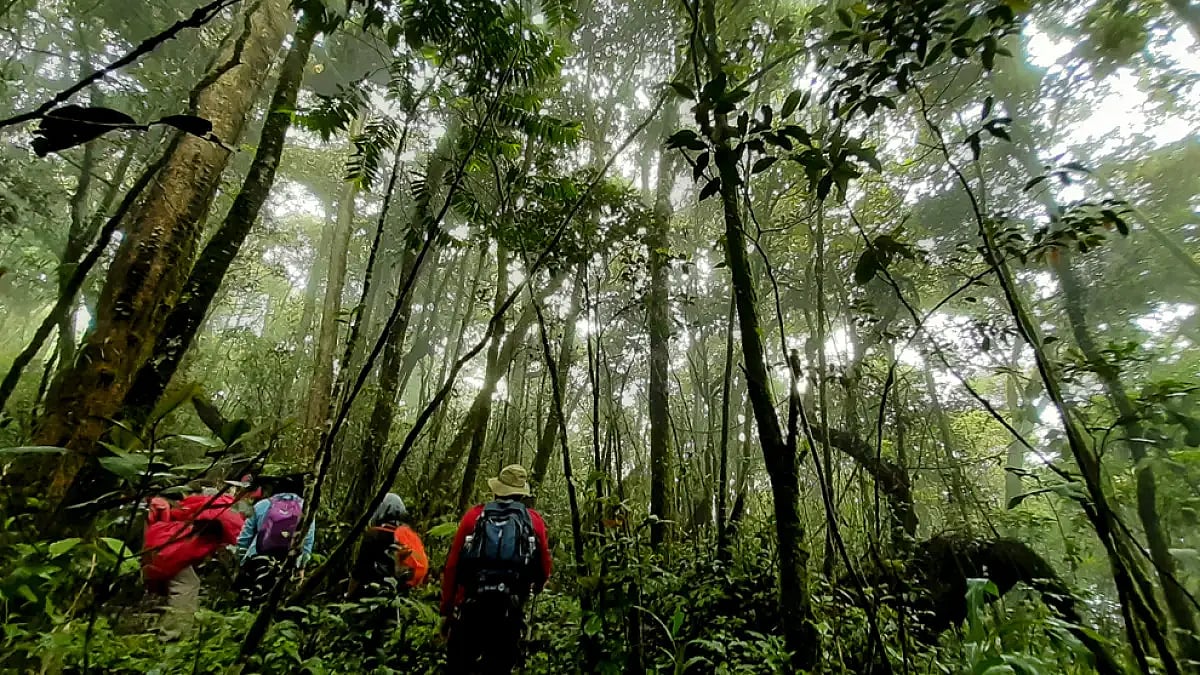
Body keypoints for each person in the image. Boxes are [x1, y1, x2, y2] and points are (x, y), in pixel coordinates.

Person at [440, 464, 551, 674]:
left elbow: (453, 565)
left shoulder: (473, 516)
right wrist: (535, 587)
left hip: (472, 607)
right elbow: (544, 567)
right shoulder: (533, 521)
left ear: (496, 489)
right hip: (509, 610)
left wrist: (447, 609)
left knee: (459, 666)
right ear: (521, 493)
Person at [142, 485, 244, 640]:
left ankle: (180, 630)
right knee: (185, 587)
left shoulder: (186, 511)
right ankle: (173, 635)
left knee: (187, 585)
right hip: (171, 554)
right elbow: (237, 533)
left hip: (164, 552)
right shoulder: (215, 511)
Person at [235, 473, 315, 602]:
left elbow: (245, 538)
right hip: (288, 562)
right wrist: (301, 566)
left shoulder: (262, 505)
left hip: (258, 558)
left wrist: (242, 561)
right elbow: (307, 540)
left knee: (249, 601)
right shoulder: (306, 508)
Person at [349, 492, 429, 598]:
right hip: (403, 599)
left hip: (374, 596)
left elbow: (359, 571)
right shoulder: (411, 537)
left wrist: (348, 595)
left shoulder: (374, 534)